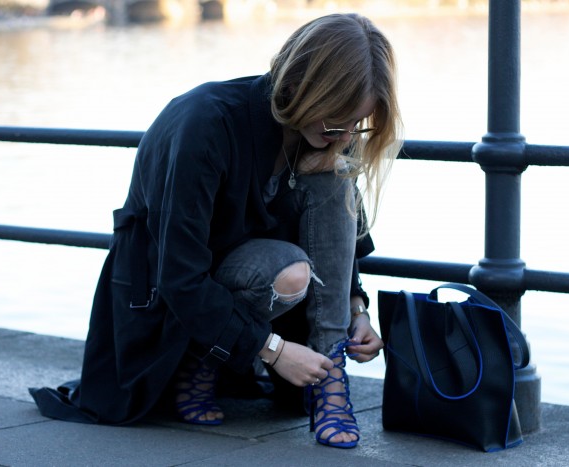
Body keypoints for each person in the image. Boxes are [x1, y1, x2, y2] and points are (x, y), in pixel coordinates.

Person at [29, 12, 401, 449]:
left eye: (357, 125)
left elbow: (334, 244)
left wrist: (358, 310)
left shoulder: (328, 133)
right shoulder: (205, 124)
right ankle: (200, 360)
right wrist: (274, 349)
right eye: (338, 121)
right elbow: (178, 276)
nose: (345, 136)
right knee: (292, 271)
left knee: (332, 176)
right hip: (168, 300)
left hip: (245, 287)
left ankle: (330, 373)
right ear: (306, 86)